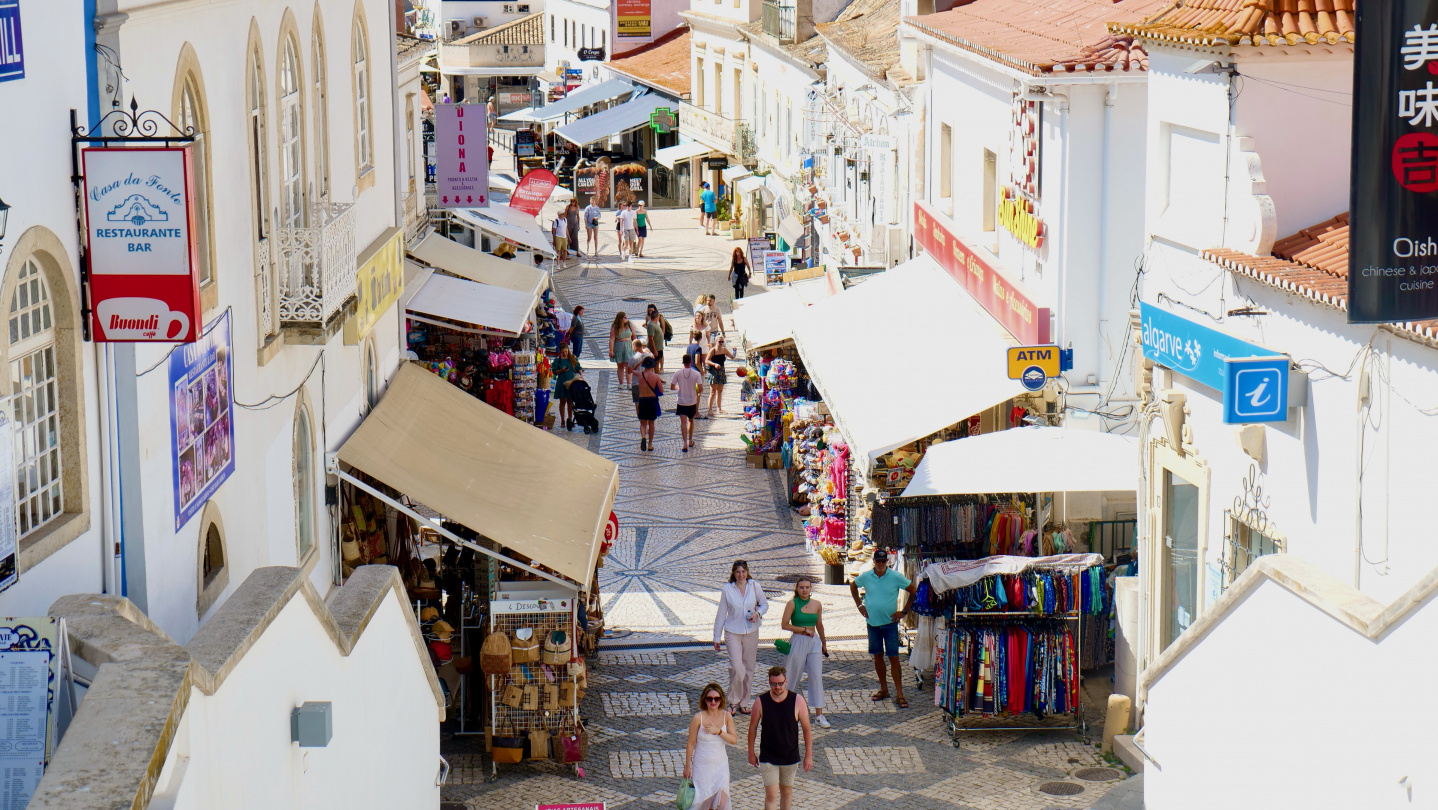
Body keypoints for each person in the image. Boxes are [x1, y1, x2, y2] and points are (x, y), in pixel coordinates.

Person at [849, 548, 918, 708]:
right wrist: (859, 605)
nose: (880, 564)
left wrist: (905, 611)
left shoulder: (895, 576)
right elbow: (853, 586)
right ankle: (884, 688)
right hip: (872, 623)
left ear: (887, 561)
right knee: (878, 656)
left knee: (894, 657)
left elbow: (913, 590)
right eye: (878, 561)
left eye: (883, 561)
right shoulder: (866, 576)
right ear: (874, 561)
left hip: (890, 623)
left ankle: (900, 693)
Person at [746, 666, 813, 810]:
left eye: (780, 683)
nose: (777, 687)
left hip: (790, 756)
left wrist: (809, 755)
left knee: (787, 793)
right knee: (771, 795)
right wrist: (751, 753)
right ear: (769, 683)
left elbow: (807, 729)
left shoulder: (797, 700)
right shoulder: (760, 701)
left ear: (786, 681)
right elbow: (752, 728)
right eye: (773, 684)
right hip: (768, 756)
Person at [713, 560, 768, 714]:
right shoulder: (727, 589)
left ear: (747, 572)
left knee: (749, 668)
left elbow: (764, 604)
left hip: (751, 631)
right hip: (732, 632)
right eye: (738, 572)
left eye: (743, 572)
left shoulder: (754, 586)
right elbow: (721, 613)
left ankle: (744, 702)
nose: (741, 575)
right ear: (734, 573)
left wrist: (758, 613)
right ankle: (733, 701)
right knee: (737, 667)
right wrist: (716, 637)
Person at [779, 576, 829, 728]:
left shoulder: (817, 604)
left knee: (816, 677)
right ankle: (785, 711)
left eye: (807, 587)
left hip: (814, 642)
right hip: (798, 640)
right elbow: (785, 624)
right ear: (797, 589)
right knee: (792, 675)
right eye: (801, 587)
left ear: (811, 589)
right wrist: (803, 629)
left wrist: (824, 643)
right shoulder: (792, 604)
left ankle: (819, 715)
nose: (804, 590)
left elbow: (819, 625)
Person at [684, 683, 737, 810]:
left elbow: (734, 739)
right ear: (704, 700)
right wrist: (687, 766)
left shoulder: (727, 716)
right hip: (702, 767)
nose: (713, 701)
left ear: (721, 700)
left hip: (721, 766)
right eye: (709, 698)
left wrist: (718, 731)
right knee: (704, 804)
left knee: (722, 804)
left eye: (716, 698)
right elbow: (691, 743)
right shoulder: (698, 718)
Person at [671, 354, 703, 452]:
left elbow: (672, 387)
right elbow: (701, 389)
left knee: (683, 423)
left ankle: (684, 443)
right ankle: (690, 440)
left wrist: (678, 388)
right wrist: (696, 392)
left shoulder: (677, 373)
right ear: (691, 362)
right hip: (692, 401)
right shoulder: (696, 374)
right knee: (691, 421)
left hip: (681, 401)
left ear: (683, 362)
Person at [634, 357, 663, 451]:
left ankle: (643, 437)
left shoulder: (639, 374)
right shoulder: (656, 377)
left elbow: (631, 370)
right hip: (652, 400)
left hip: (642, 399)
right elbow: (661, 391)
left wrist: (639, 362)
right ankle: (650, 444)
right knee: (651, 423)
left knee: (643, 423)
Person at [553, 344, 582, 431]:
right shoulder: (558, 360)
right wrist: (562, 370)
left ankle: (570, 419)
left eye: (566, 351)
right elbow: (555, 371)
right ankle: (562, 420)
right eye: (563, 352)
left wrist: (581, 375)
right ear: (560, 352)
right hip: (562, 382)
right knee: (562, 401)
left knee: (570, 402)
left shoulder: (572, 358)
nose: (565, 353)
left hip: (571, 382)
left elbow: (578, 367)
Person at [704, 336, 735, 419]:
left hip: (721, 371)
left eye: (722, 342)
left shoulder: (724, 350)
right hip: (713, 372)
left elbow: (732, 357)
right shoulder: (713, 350)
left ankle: (719, 408)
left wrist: (734, 351)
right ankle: (710, 409)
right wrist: (714, 364)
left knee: (720, 391)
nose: (721, 343)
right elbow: (706, 360)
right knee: (713, 391)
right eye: (719, 341)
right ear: (716, 341)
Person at [609, 312, 635, 387]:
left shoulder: (629, 325)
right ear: (620, 318)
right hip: (619, 347)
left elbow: (634, 336)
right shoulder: (615, 327)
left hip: (629, 347)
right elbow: (612, 339)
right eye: (624, 317)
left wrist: (636, 346)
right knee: (620, 366)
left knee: (628, 365)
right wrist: (611, 350)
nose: (626, 319)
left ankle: (629, 383)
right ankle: (621, 383)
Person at [645, 304, 667, 373]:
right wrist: (654, 350)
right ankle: (655, 377)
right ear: (657, 317)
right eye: (649, 310)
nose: (650, 312)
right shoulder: (651, 325)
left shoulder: (657, 320)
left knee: (657, 361)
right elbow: (651, 338)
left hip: (659, 346)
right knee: (655, 363)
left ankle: (657, 376)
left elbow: (663, 327)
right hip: (656, 347)